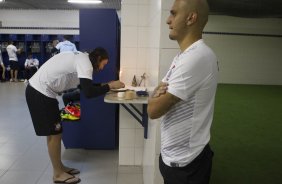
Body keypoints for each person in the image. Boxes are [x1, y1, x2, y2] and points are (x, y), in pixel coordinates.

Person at [25, 47, 125, 184]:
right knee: (55, 133)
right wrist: (109, 86)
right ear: (98, 59)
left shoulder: (82, 58)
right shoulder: (86, 64)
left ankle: (59, 167)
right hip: (40, 92)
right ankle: (58, 174)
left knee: (56, 132)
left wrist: (109, 85)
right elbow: (88, 93)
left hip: (42, 91)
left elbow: (85, 86)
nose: (102, 68)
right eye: (104, 64)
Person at [147, 0, 218, 184]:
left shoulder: (197, 57)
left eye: (173, 13)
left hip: (188, 164)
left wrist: (155, 97)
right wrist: (155, 95)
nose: (167, 20)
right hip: (175, 158)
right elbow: (157, 94)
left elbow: (153, 110)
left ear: (191, 18)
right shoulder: (182, 57)